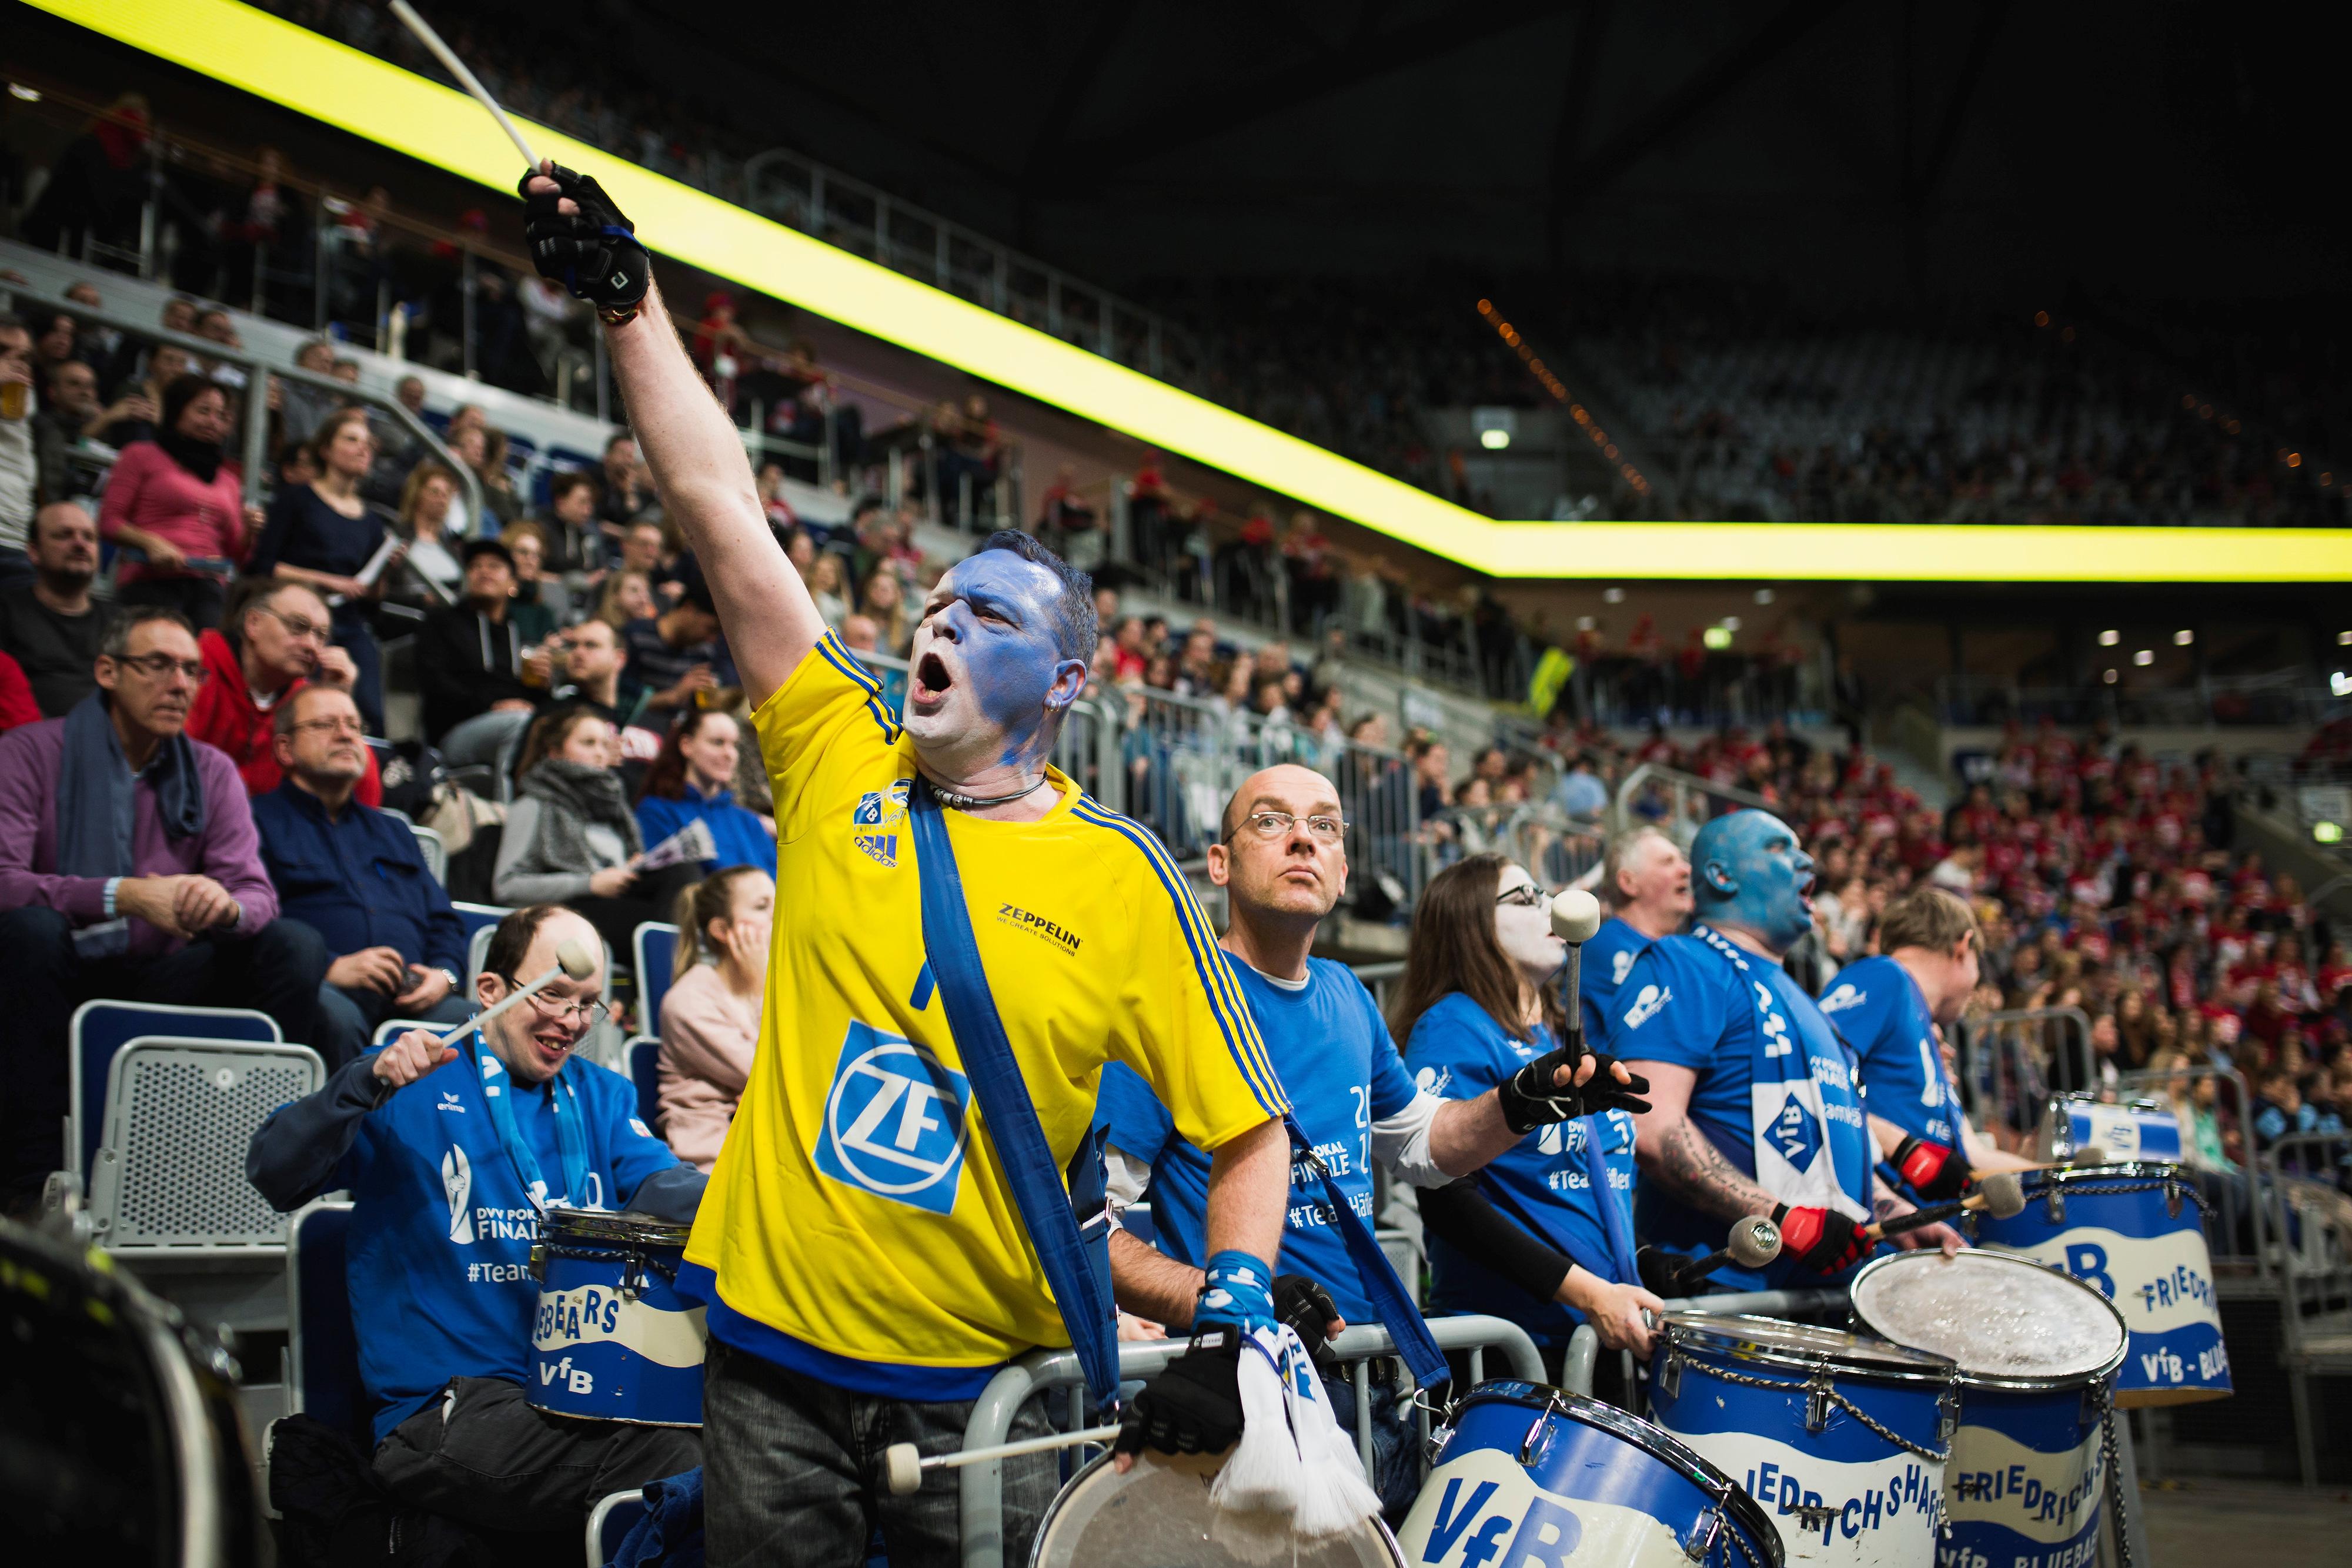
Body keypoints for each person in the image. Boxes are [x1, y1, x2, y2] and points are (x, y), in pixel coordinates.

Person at [522, 160, 1290, 1566]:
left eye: (981, 611)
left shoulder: (1121, 875)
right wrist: (626, 304)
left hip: (985, 1400)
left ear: (1057, 682)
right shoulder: (838, 745)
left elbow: (1247, 1131)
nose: (936, 616)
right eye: (936, 599)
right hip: (767, 1365)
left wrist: (1235, 1316)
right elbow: (716, 501)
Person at [1100, 767, 1645, 1516]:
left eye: (1325, 826)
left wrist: (1519, 1101)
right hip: (1252, 1386)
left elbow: (1421, 1142)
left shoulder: (1346, 993)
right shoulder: (1170, 998)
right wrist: (1224, 1300)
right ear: (1219, 864)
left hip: (1370, 1383)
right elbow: (1096, 1225)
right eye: (1269, 821)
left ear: (1343, 870)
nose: (1302, 838)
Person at [245, 904, 703, 1548]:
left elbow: (667, 1188)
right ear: (489, 991)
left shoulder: (600, 1095)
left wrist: (755, 1203)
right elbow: (273, 1173)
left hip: (568, 1393)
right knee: (671, 1460)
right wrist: (361, 1084)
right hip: (440, 1413)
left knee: (736, 1418)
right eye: (553, 995)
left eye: (587, 1005)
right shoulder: (404, 1082)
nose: (570, 1022)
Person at [0, 607, 325, 1201]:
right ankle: (32, 1186)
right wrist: (121, 895)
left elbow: (256, 896)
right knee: (28, 932)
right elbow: (4, 882)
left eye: (192, 672)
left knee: (294, 947)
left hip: (164, 972)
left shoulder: (212, 769)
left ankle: (249, 1168)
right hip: (59, 969)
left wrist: (220, 905)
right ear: (107, 670)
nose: (179, 685)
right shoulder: (28, 753)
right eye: (158, 666)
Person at [1610, 811, 1958, 1291]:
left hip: (1822, 1300)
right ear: (1721, 875)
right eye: (1779, 848)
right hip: (1729, 1301)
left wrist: (1896, 1213)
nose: (1805, 860)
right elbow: (1650, 1126)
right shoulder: (1685, 963)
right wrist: (1780, 1218)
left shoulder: (1807, 1005)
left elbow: (1832, 1158)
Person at [1396, 854, 1665, 1396]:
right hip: (1512, 1352)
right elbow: (1449, 1201)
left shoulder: (1552, 1040)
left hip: (1589, 1334)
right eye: (1524, 898)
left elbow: (1570, 1199)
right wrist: (1591, 1294)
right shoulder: (1455, 1025)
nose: (1552, 905)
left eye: (1545, 892)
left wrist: (1647, 1267)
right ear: (1468, 924)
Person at [253, 685, 469, 1068]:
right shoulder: (256, 821)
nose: (347, 734)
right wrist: (331, 966)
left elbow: (444, 922)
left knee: (478, 1025)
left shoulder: (395, 831)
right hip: (322, 990)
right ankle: (347, 1130)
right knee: (336, 1019)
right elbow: (256, 924)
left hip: (411, 998)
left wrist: (444, 976)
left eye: (355, 724)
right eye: (325, 724)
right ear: (285, 749)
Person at [1818, 886, 2034, 1199]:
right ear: (1964, 946)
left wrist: (2064, 1176)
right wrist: (1902, 1148)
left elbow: (1974, 1156)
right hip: (1892, 1233)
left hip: (1936, 1232)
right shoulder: (1885, 976)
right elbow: (1812, 1078)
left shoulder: (1922, 1029)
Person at [496, 706, 697, 968]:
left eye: (605, 744)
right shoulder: (534, 803)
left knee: (683, 875)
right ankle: (670, 978)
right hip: (566, 912)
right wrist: (590, 883)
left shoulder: (614, 805)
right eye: (588, 743)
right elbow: (506, 886)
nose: (600, 753)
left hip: (614, 903)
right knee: (662, 929)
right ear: (555, 752)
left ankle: (669, 976)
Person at [249, 406, 400, 733]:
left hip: (347, 622)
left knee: (371, 712)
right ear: (326, 450)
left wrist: (384, 570)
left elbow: (370, 599)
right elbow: (264, 566)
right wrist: (329, 581)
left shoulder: (372, 521)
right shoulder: (296, 499)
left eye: (368, 443)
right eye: (352, 439)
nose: (364, 449)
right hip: (298, 618)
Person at [186, 578, 383, 804]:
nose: (311, 645)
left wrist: (335, 700)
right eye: (298, 627)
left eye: (321, 636)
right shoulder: (193, 668)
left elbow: (362, 790)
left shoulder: (303, 699)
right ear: (254, 623)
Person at [96, 376, 259, 628]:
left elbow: (238, 554)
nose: (213, 422)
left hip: (207, 590)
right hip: (149, 578)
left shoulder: (229, 480)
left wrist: (251, 531)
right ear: (176, 410)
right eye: (204, 411)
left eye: (222, 416)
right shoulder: (140, 455)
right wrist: (150, 543)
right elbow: (108, 521)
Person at [656, 864, 772, 1172]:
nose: (778, 916)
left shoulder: (782, 988)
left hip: (766, 1150)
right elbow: (774, 1075)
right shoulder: (688, 1001)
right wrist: (761, 988)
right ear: (722, 931)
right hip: (714, 1166)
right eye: (762, 907)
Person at [417, 540, 536, 764]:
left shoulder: (519, 633)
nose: (483, 571)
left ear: (514, 584)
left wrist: (545, 686)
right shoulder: (441, 622)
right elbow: (435, 683)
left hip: (515, 721)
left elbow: (528, 696)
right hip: (455, 731)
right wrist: (491, 706)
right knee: (521, 724)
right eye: (475, 566)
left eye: (494, 566)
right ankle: (508, 801)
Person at [1582, 826, 1693, 1043]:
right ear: (1629, 883)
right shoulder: (1607, 944)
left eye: (1683, 861)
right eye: (1668, 862)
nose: (1687, 870)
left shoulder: (1680, 947)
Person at [634, 709, 776, 877]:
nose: (729, 754)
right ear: (686, 745)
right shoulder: (656, 813)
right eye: (718, 742)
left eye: (735, 745)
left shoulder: (748, 821)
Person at [0, 500, 105, 716]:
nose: (80, 544)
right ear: (34, 551)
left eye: (89, 537)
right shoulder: (6, 612)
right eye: (64, 535)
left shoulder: (122, 622)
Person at [619, 581, 730, 717]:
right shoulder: (636, 636)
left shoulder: (703, 652)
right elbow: (620, 700)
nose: (712, 639)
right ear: (689, 608)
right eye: (711, 629)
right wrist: (674, 697)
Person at [389, 462, 465, 605]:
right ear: (417, 495)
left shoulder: (451, 546)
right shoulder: (398, 537)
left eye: (446, 494)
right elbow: (384, 592)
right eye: (435, 492)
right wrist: (420, 600)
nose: (442, 499)